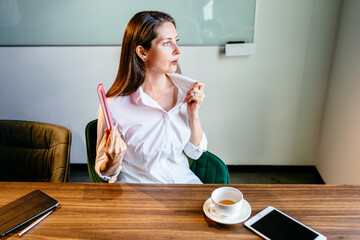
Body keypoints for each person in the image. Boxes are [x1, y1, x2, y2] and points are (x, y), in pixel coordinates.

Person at [95, 11, 207, 183]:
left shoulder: (186, 92)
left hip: (183, 186)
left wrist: (194, 115)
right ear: (142, 52)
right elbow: (105, 173)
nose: (178, 51)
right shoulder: (114, 106)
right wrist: (112, 160)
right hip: (140, 197)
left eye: (176, 41)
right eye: (167, 43)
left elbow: (195, 152)